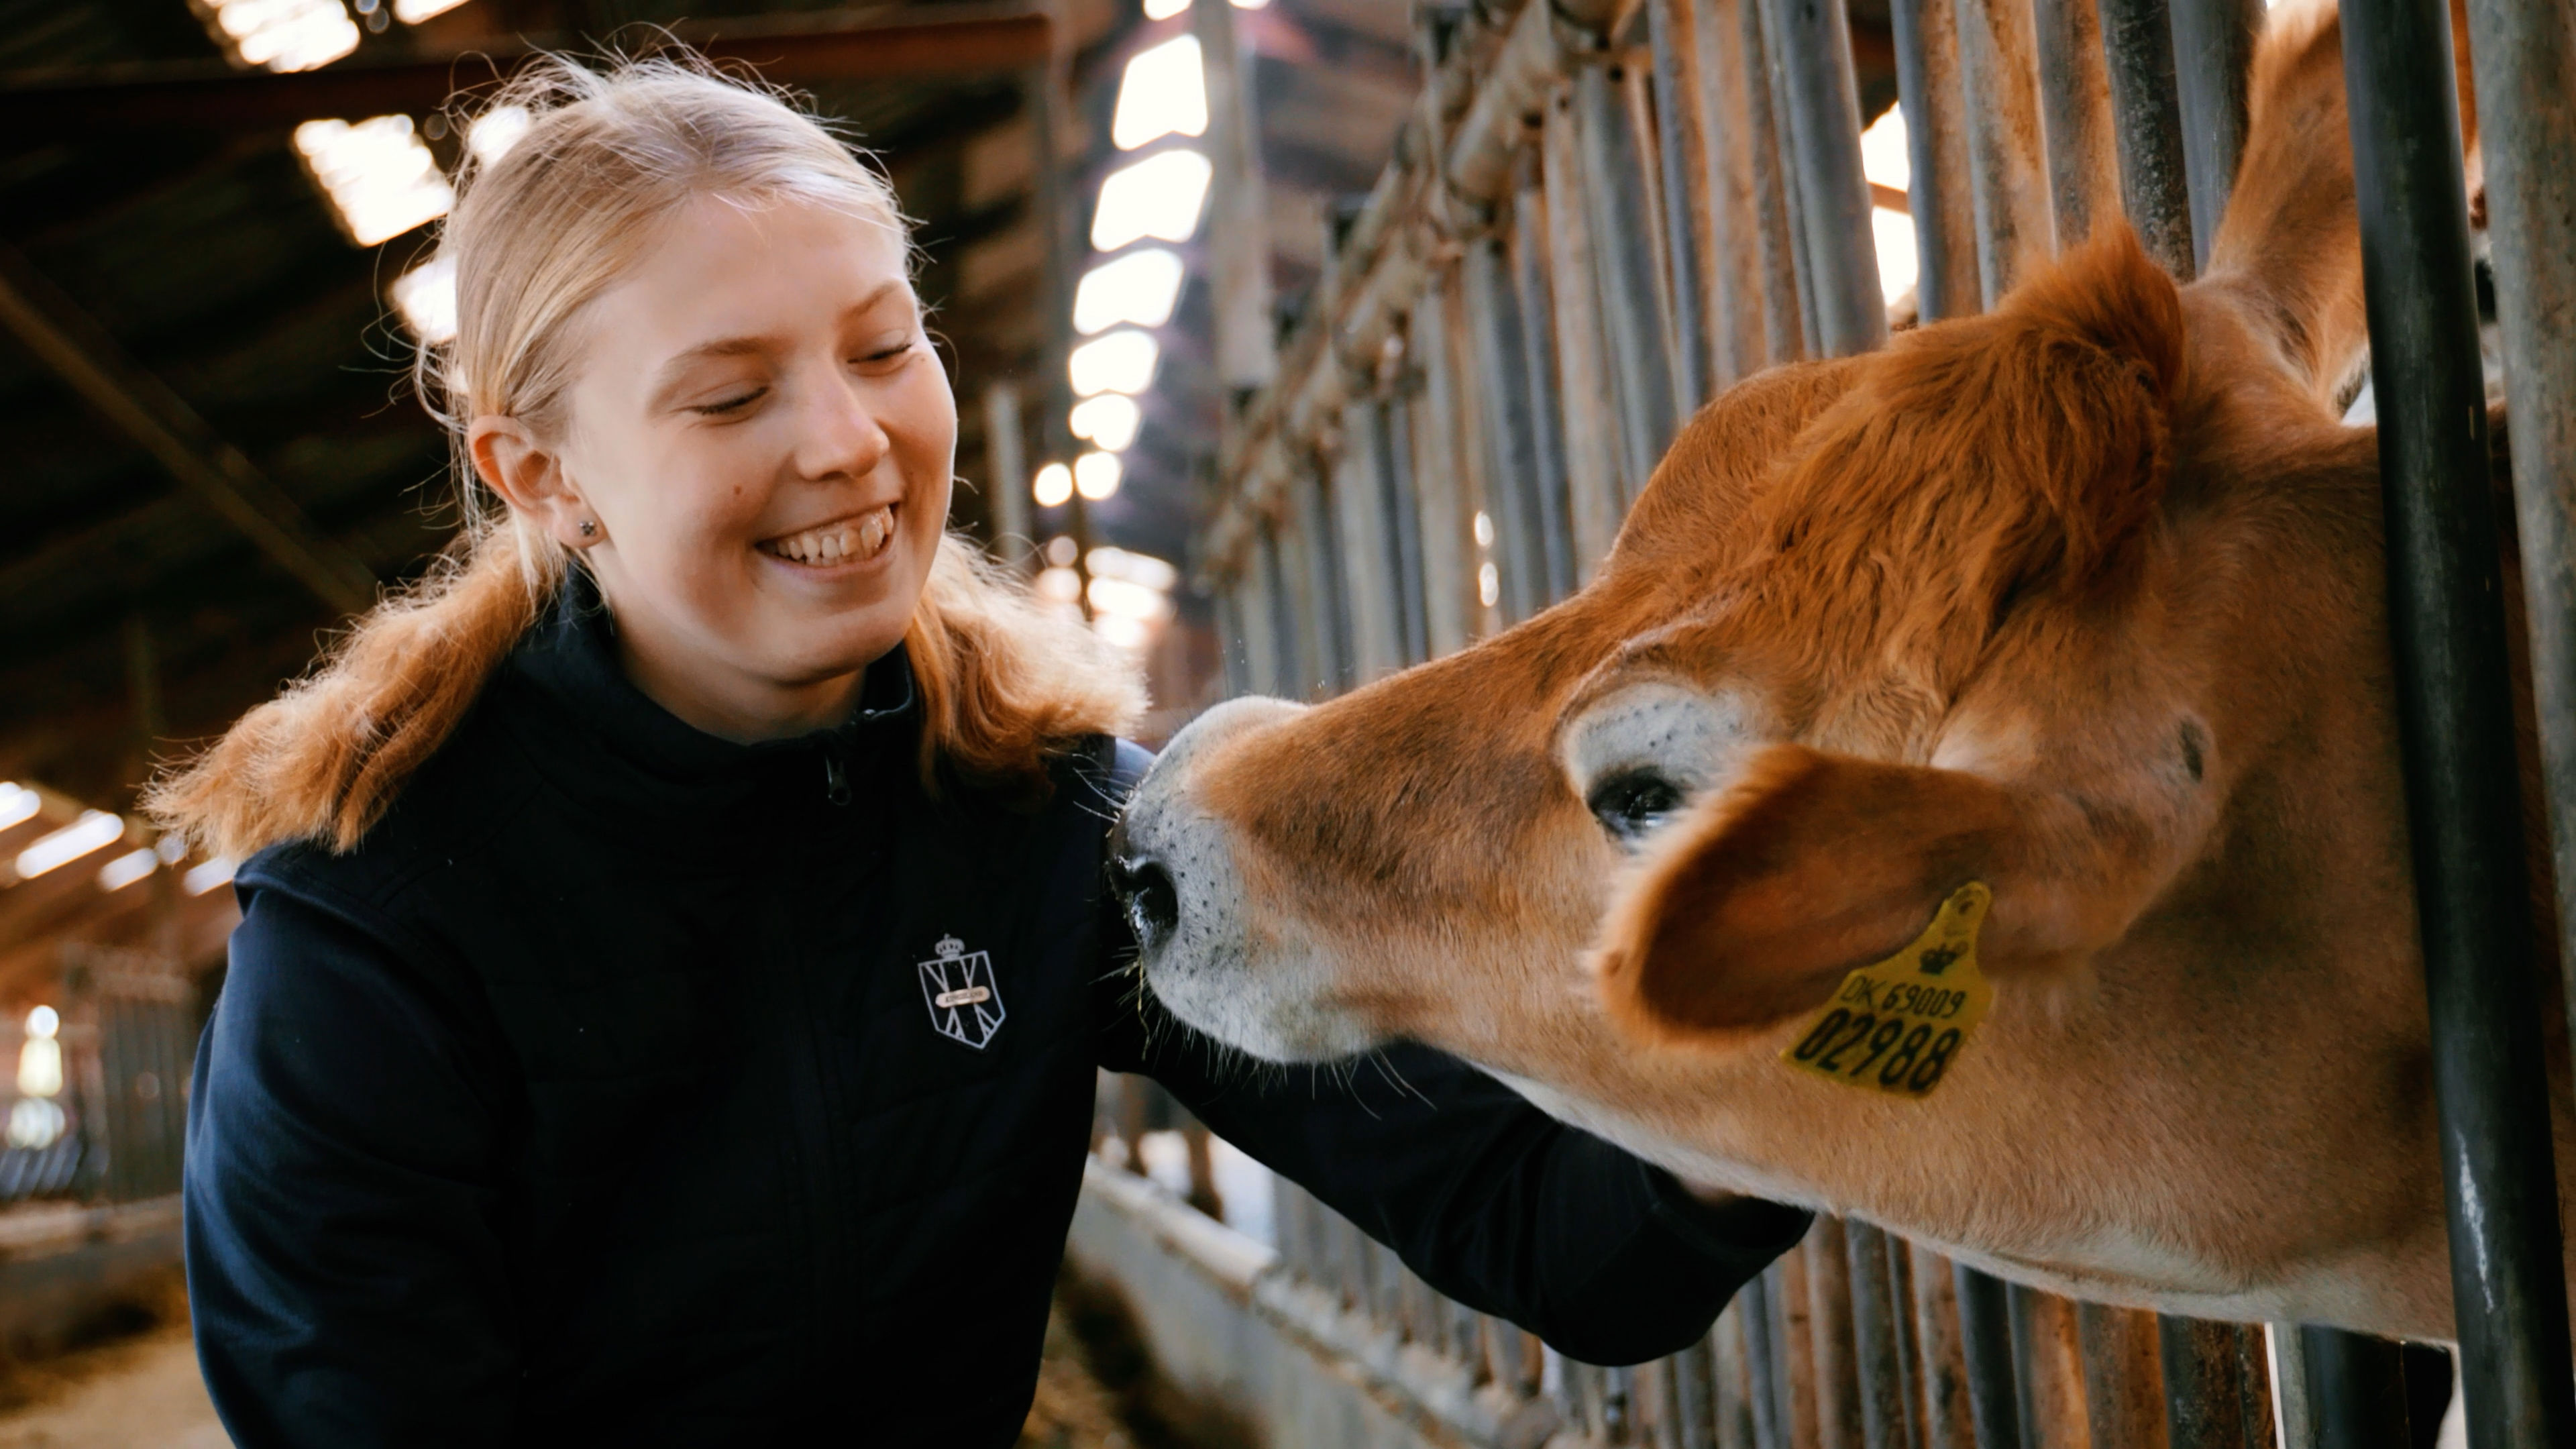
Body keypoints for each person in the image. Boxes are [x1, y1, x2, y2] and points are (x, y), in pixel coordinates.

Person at [152, 58, 1810, 1448]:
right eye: (730, 399)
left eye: (884, 347)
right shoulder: (379, 916)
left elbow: (1540, 1224)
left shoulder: (1042, 808)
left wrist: (1778, 1056)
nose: (849, 438)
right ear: (542, 475)